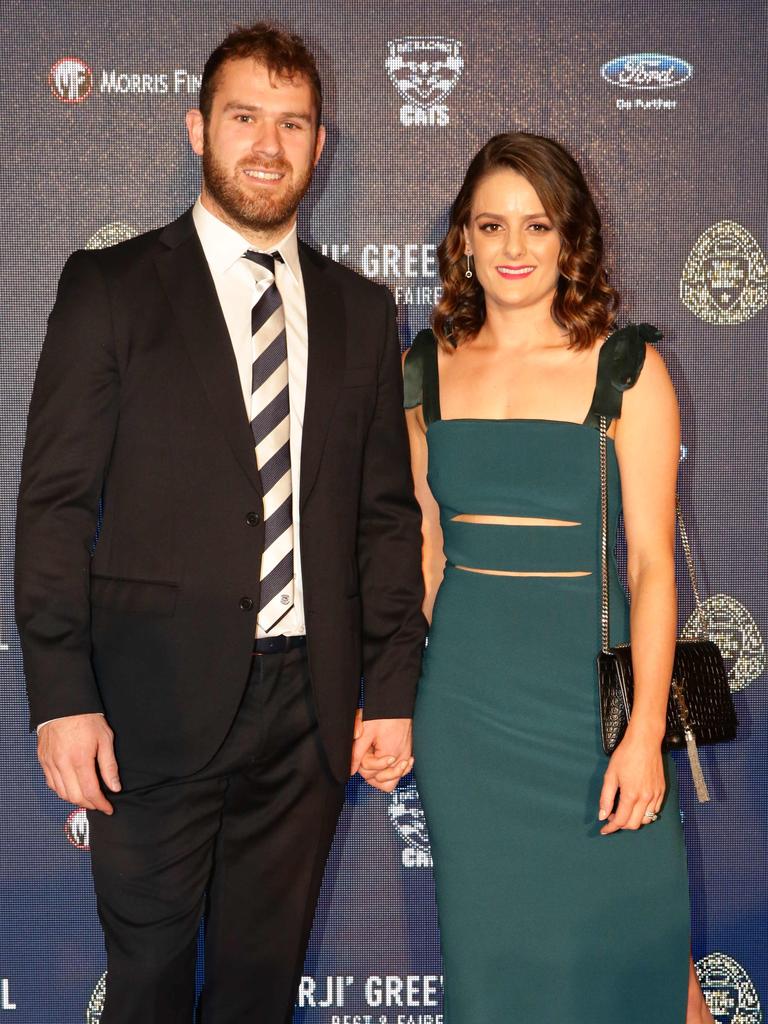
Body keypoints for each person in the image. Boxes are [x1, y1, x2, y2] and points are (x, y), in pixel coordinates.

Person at [15, 22, 425, 1024]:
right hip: (151, 703)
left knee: (257, 988)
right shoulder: (109, 288)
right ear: (198, 127)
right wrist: (60, 694)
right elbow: (55, 505)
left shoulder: (365, 312)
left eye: (293, 123)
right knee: (148, 983)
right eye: (245, 117)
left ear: (320, 145)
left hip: (309, 710)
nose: (268, 145)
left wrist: (393, 689)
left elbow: (382, 519)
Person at [403, 133, 716, 1023]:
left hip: (592, 710)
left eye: (536, 226)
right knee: (496, 967)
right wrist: (397, 696)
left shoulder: (627, 368)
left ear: (568, 238)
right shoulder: (422, 372)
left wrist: (645, 730)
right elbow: (424, 554)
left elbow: (653, 565)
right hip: (465, 711)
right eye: (491, 225)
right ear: (463, 237)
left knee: (644, 955)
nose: (512, 248)